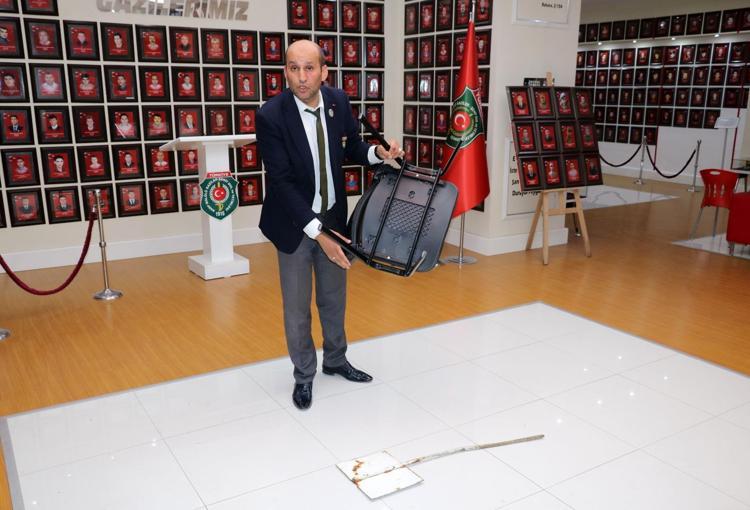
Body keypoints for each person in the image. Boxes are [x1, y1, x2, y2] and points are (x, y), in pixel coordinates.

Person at [256, 40, 402, 410]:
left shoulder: (338, 101)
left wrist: (377, 153)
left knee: (334, 299)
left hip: (333, 218)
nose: (301, 77)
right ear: (285, 71)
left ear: (324, 71)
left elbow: (350, 147)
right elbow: (281, 182)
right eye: (293, 68)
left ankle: (336, 360)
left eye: (309, 68)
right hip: (294, 225)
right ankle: (304, 375)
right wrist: (318, 234)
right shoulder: (271, 115)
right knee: (297, 309)